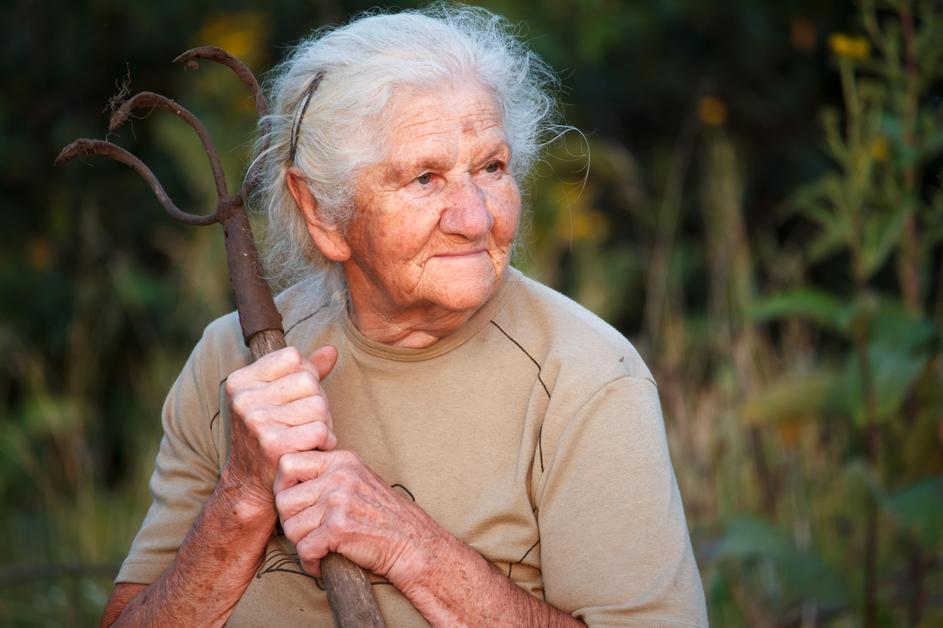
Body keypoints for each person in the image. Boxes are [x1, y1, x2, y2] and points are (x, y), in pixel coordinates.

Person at [101, 5, 708, 627]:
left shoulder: (585, 379)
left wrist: (412, 548)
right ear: (320, 213)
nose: (475, 218)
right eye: (424, 178)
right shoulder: (230, 365)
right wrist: (244, 496)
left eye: (491, 168)